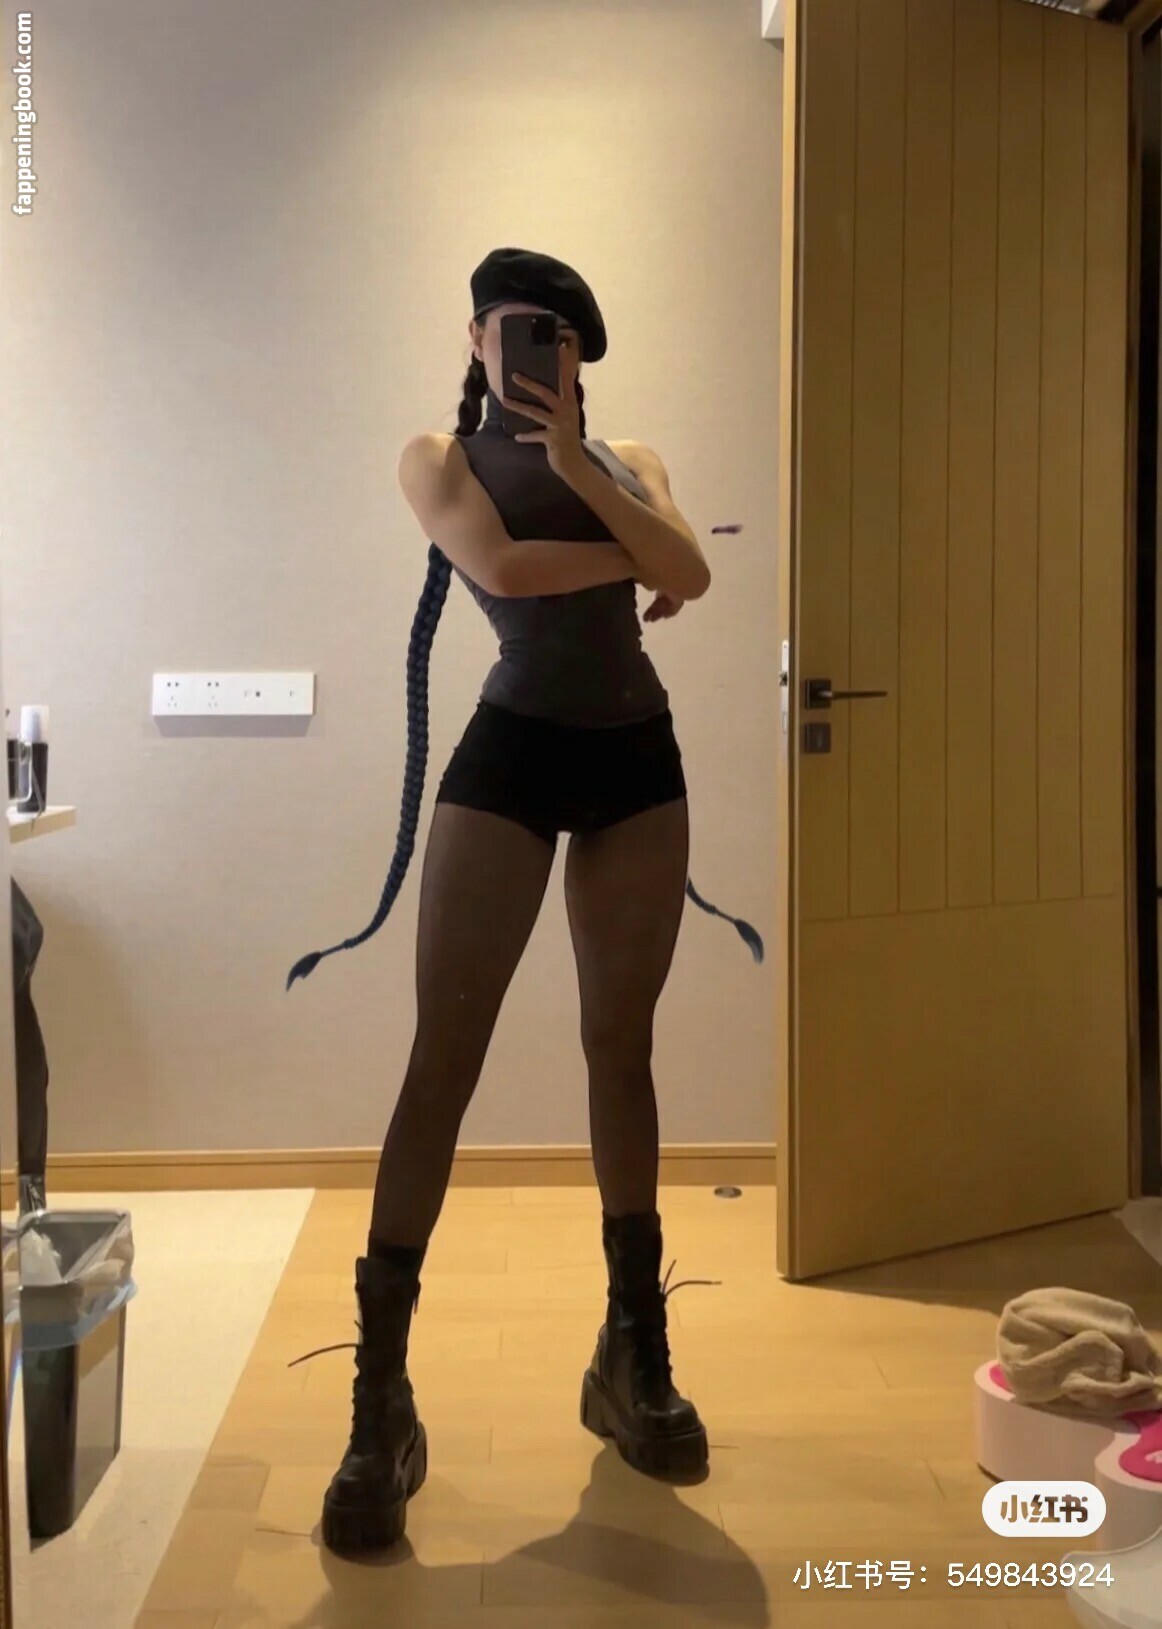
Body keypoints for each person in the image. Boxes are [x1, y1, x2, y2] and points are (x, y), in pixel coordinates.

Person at [287, 248, 762, 1557]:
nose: (532, 348)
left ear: (580, 355)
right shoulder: (435, 456)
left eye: (555, 333)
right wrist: (631, 549)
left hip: (635, 759)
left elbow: (695, 575)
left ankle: (632, 1353)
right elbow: (499, 569)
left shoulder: (629, 457)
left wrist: (587, 481)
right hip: (507, 758)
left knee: (622, 1048)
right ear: (476, 339)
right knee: (442, 1059)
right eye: (511, 328)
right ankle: (379, 1399)